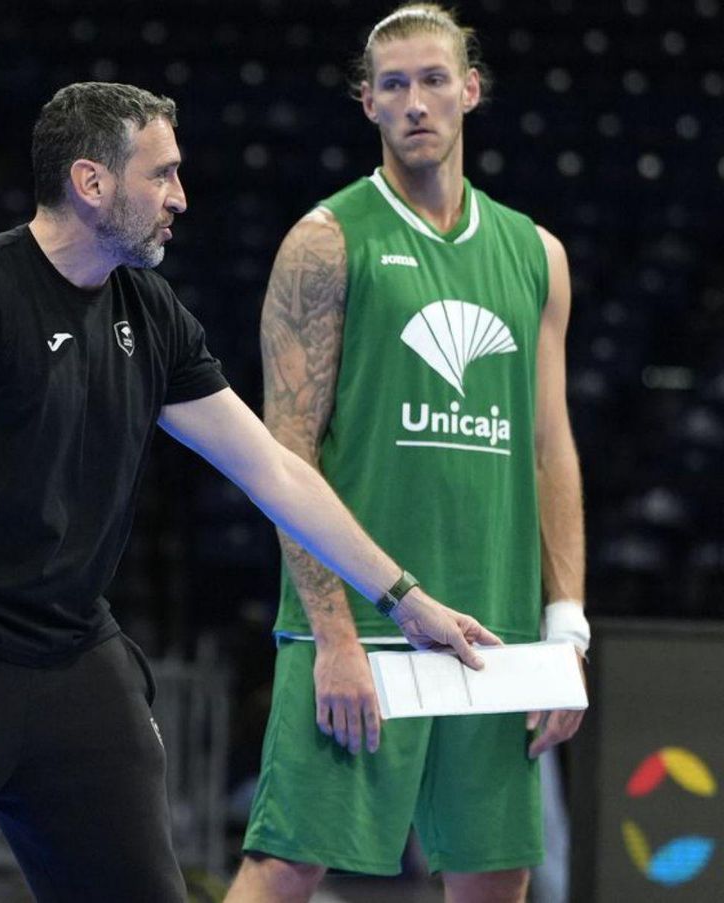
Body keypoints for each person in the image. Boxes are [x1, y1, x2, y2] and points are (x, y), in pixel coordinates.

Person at [0, 81, 499, 903]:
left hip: (73, 655)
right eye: (163, 175)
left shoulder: (152, 311)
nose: (181, 197)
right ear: (92, 182)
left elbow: (275, 470)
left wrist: (402, 597)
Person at [226, 6, 589, 903]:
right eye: (394, 84)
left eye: (434, 80)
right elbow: (285, 461)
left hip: (494, 628)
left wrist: (565, 631)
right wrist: (333, 635)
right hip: (362, 624)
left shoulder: (537, 255)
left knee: (494, 874)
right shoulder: (324, 243)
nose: (416, 101)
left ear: (470, 90)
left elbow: (551, 450)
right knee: (285, 863)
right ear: (367, 103)